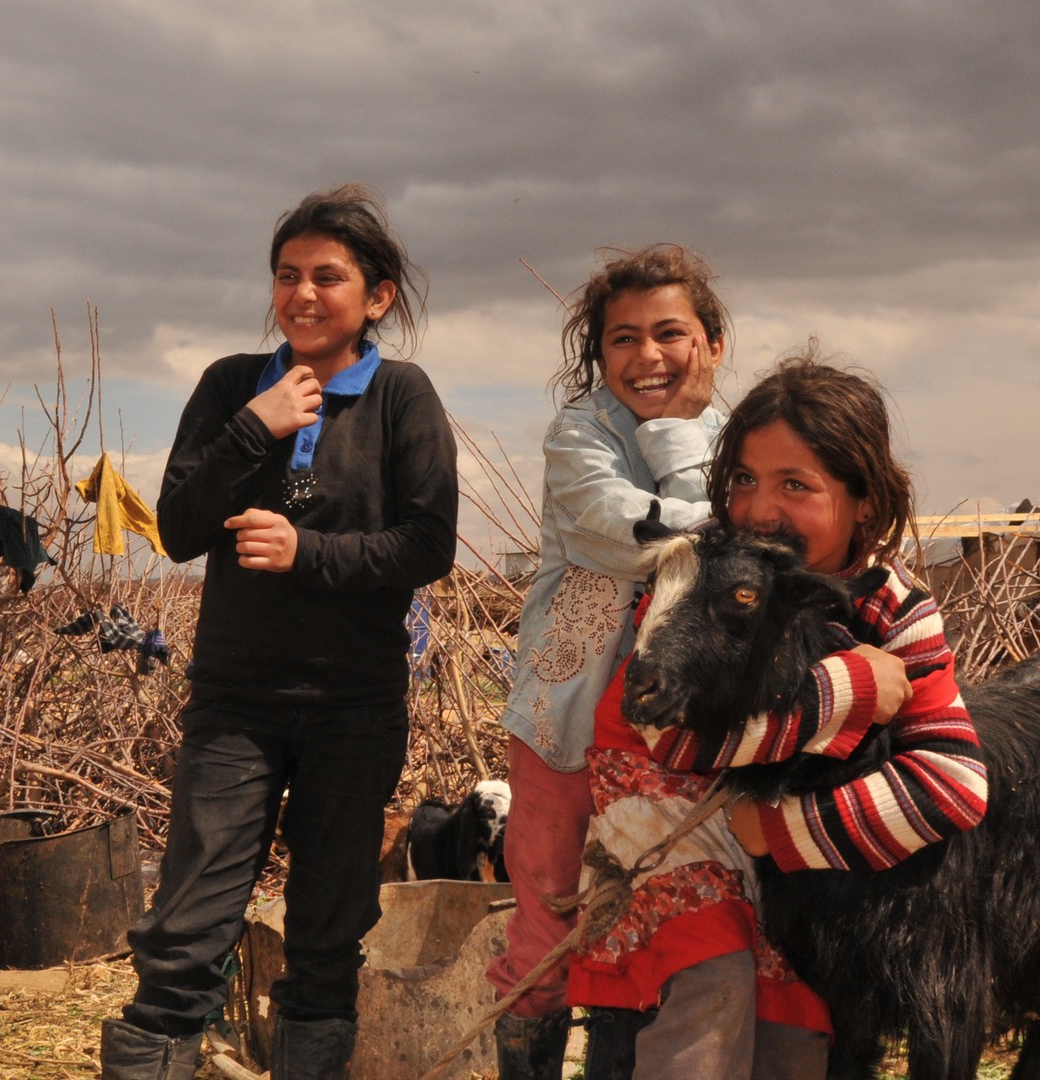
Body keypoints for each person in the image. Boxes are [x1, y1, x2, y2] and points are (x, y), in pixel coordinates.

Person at [100, 184, 458, 1080]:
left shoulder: (401, 397)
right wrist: (251, 431)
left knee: (328, 936)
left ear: (375, 296)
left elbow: (429, 544)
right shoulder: (233, 385)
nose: (302, 294)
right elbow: (178, 529)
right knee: (185, 933)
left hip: (354, 704)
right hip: (236, 702)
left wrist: (308, 553)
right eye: (287, 275)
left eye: (327, 277)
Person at [569, 348, 988, 1078]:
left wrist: (782, 829)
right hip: (666, 826)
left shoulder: (895, 609)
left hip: (786, 857)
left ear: (865, 500)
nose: (760, 510)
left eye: (796, 485)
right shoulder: (703, 572)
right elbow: (665, 732)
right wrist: (850, 688)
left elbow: (954, 783)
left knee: (794, 1030)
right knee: (706, 990)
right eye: (744, 480)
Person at [487, 245, 729, 1079]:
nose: (648, 356)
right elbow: (643, 540)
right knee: (546, 937)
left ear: (712, 345)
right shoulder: (579, 435)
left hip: (686, 737)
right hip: (566, 722)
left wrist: (692, 454)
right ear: (599, 353)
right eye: (624, 338)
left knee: (666, 926)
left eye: (670, 333)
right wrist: (682, 446)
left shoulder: (745, 439)